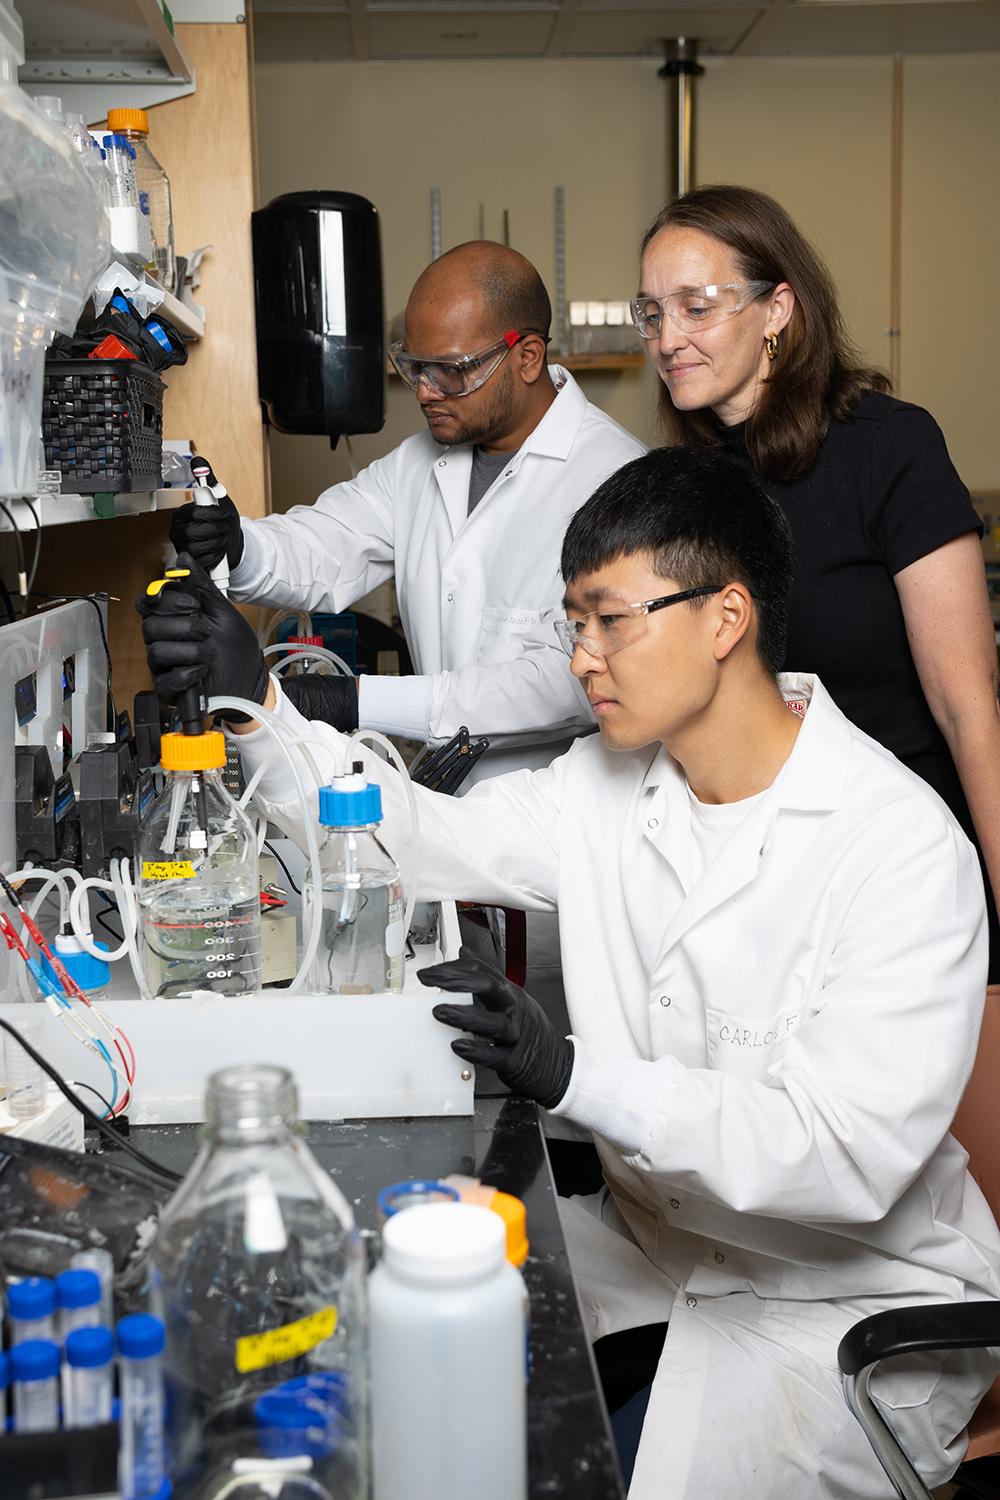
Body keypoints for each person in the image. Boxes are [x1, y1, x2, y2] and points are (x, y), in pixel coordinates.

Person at [140, 445, 1000, 1500]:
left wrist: (574, 1073)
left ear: (725, 618)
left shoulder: (897, 849)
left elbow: (842, 1154)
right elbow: (418, 835)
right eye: (572, 623)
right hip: (657, 1251)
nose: (582, 657)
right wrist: (258, 706)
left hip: (839, 1305)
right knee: (388, 1336)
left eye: (610, 620)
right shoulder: (610, 780)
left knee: (566, 1475)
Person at [632, 184, 1000, 978]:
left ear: (778, 310)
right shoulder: (680, 487)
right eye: (653, 313)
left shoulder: (888, 449)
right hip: (756, 881)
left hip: (900, 870)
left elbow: (968, 709)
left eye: (696, 307)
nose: (668, 338)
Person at [169, 238, 644, 783]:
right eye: (413, 364)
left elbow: (568, 683)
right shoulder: (419, 461)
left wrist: (353, 699)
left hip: (563, 818)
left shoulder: (619, 478)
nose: (424, 390)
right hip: (442, 800)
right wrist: (238, 545)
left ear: (527, 357)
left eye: (451, 370)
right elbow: (330, 541)